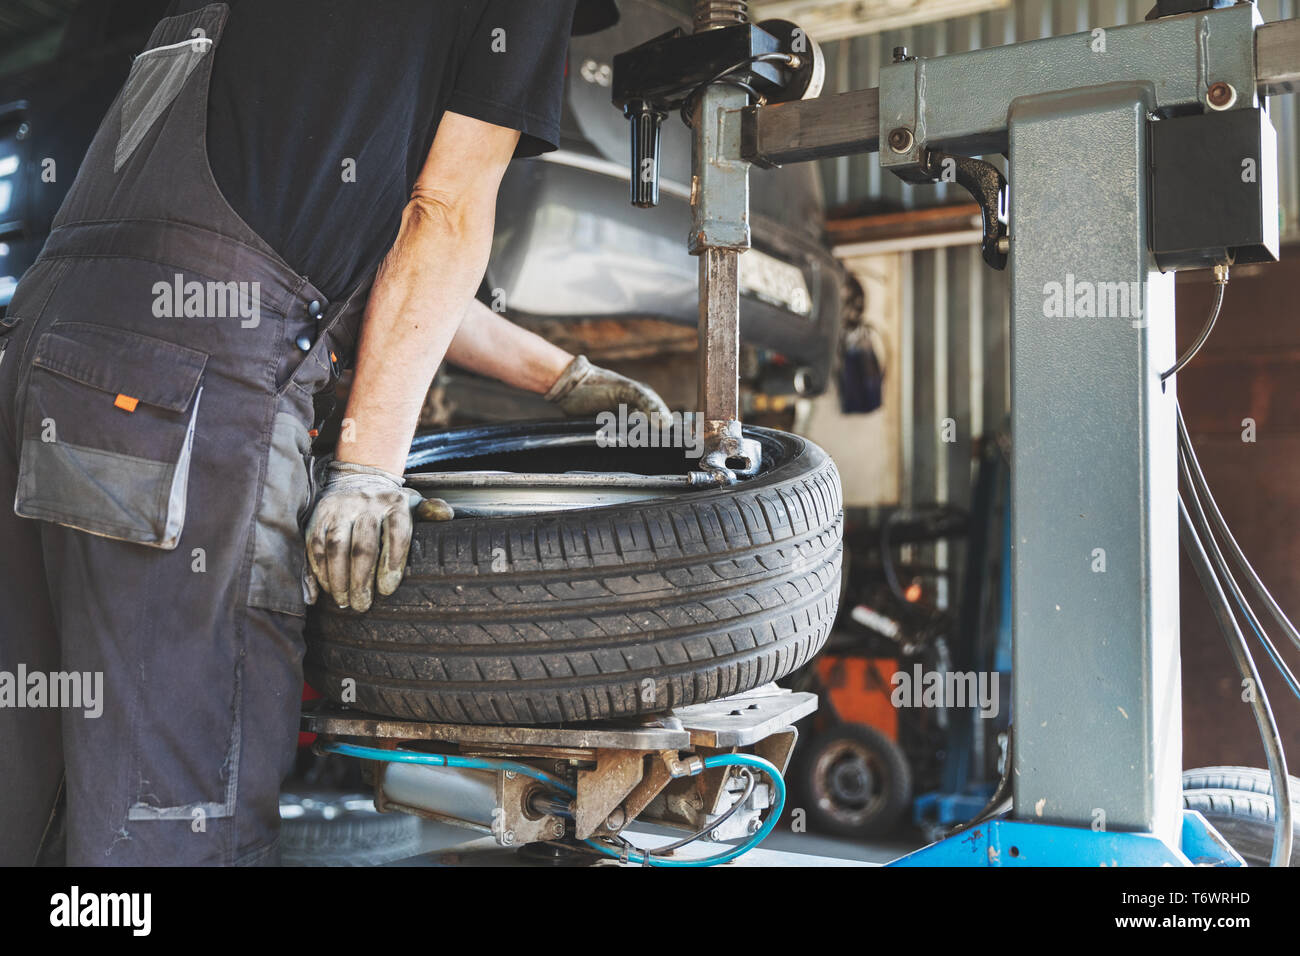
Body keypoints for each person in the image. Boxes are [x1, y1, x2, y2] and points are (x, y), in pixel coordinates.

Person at [0, 0, 664, 865]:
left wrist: (562, 377)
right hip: (189, 392)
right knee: (184, 801)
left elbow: (367, 262)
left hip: (46, 361)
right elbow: (444, 214)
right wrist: (368, 470)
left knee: (37, 777)